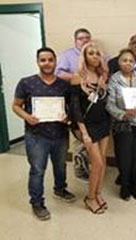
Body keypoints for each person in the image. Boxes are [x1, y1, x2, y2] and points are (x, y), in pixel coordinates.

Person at [12, 47, 75, 221]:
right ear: (38, 62)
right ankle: (37, 203)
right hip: (36, 135)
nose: (47, 63)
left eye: (50, 60)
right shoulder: (26, 83)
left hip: (60, 134)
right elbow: (16, 105)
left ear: (55, 62)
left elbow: (71, 109)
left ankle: (60, 189)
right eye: (43, 60)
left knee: (61, 165)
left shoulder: (64, 85)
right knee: (38, 170)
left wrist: (67, 118)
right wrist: (27, 117)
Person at [106, 48, 136, 201]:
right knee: (124, 159)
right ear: (119, 62)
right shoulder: (114, 79)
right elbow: (110, 105)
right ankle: (125, 188)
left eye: (131, 61)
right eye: (124, 60)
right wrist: (124, 113)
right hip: (123, 124)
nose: (127, 63)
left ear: (135, 63)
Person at [69, 42, 110, 214]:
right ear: (84, 57)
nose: (94, 56)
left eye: (97, 53)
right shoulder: (78, 77)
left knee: (103, 161)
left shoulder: (103, 76)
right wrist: (84, 134)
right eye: (90, 53)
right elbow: (75, 109)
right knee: (97, 164)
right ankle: (90, 198)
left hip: (103, 123)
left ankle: (98, 193)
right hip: (86, 126)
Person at [55, 28, 92, 181]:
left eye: (87, 38)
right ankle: (80, 168)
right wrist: (78, 78)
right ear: (75, 40)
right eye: (81, 38)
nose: (84, 41)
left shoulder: (95, 53)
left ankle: (90, 166)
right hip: (75, 99)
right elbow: (58, 73)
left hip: (92, 100)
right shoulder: (67, 55)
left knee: (91, 135)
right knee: (80, 135)